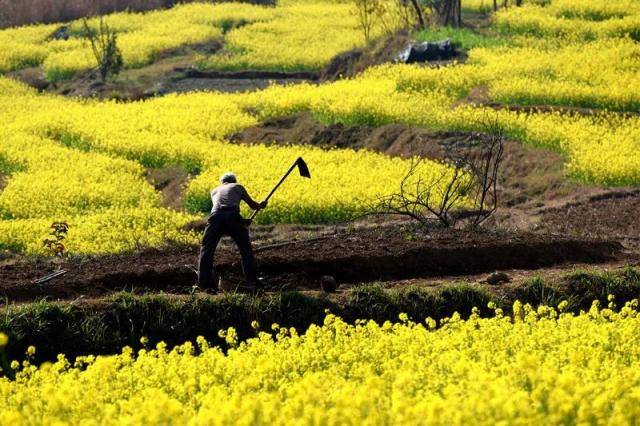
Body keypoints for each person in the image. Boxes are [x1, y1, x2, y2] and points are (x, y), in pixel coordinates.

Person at [198, 172, 267, 293]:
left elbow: (222, 214)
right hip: (232, 216)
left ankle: (203, 283)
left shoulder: (214, 190)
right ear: (234, 180)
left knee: (206, 250)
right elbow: (252, 206)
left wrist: (242, 222)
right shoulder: (237, 186)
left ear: (223, 182)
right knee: (245, 250)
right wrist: (261, 205)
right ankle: (251, 281)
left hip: (214, 218)